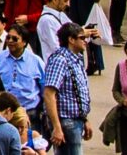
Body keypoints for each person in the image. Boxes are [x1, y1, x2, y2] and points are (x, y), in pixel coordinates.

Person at [40, 24, 93, 155]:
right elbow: (49, 94)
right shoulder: (60, 60)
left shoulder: (76, 58)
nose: (85, 40)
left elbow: (78, 94)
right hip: (65, 122)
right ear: (71, 40)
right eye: (82, 37)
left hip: (76, 120)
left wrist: (84, 119)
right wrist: (57, 127)